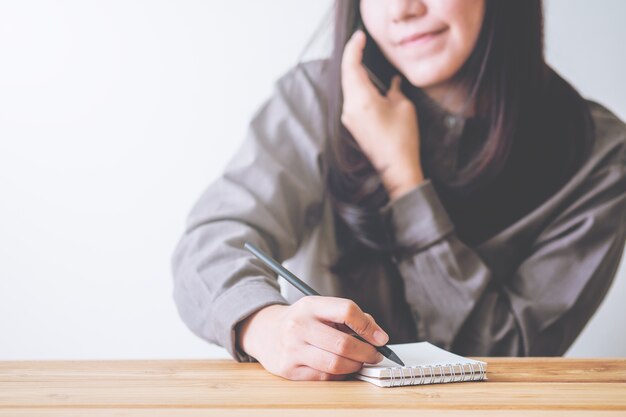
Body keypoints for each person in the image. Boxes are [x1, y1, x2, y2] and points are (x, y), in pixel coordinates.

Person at [171, 0, 626, 381]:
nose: (403, 9)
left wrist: (403, 176)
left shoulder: (599, 156)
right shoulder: (318, 99)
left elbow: (499, 355)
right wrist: (264, 324)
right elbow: (210, 243)